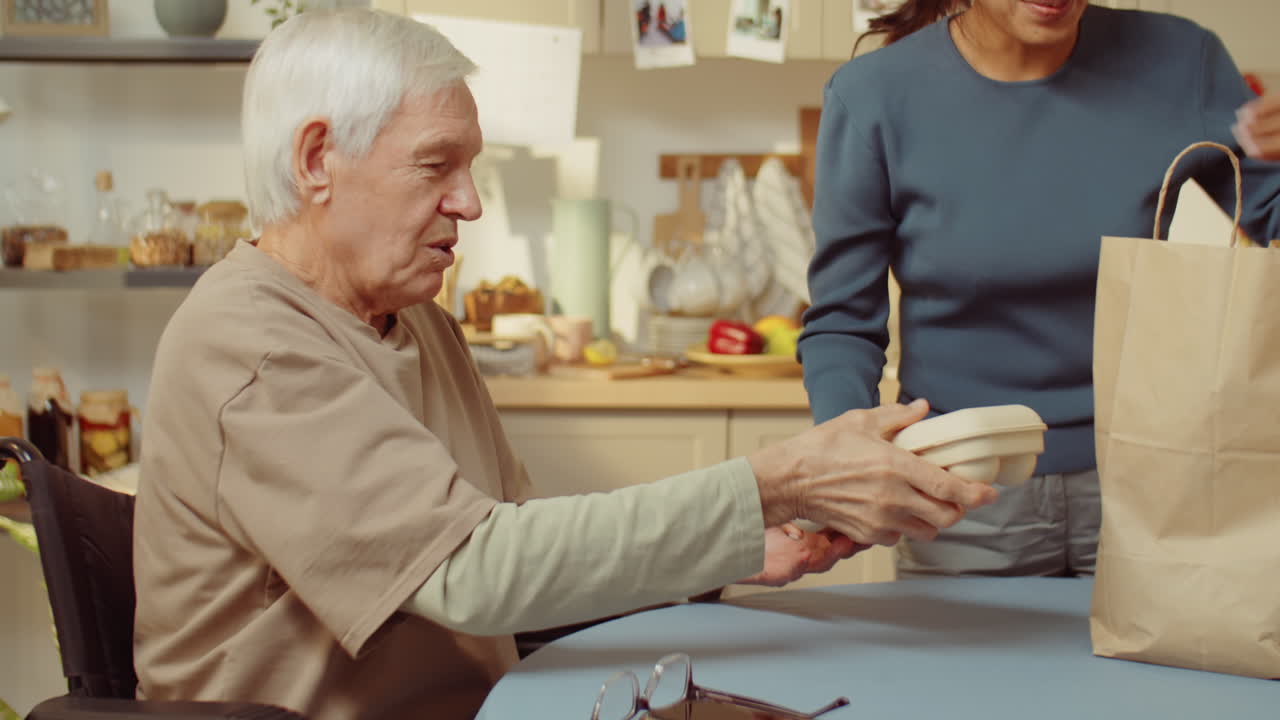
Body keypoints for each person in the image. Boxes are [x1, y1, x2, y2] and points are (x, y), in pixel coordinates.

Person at [131, 9, 997, 720]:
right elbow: (474, 573)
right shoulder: (251, 346)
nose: (467, 202)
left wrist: (730, 552)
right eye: (437, 165)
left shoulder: (414, 322)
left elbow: (523, 540)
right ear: (317, 160)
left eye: (471, 167)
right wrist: (773, 483)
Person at [801, 0, 1280, 579]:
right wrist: (846, 465)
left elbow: (1271, 214)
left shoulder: (1184, 59)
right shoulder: (873, 95)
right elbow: (842, 323)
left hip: (1154, 478)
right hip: (964, 493)